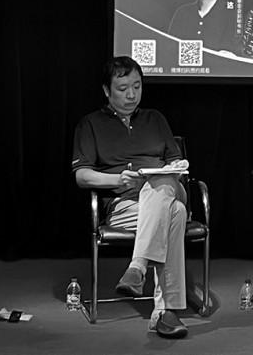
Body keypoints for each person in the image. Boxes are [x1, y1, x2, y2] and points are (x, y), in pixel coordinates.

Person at [72, 56, 189, 338]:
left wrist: (173, 168)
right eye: (123, 88)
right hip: (125, 205)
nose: (131, 95)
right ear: (106, 90)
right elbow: (82, 176)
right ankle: (166, 312)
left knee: (161, 183)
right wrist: (118, 179)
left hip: (169, 189)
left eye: (137, 86)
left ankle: (138, 266)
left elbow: (176, 162)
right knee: (176, 214)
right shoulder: (91, 124)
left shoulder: (155, 118)